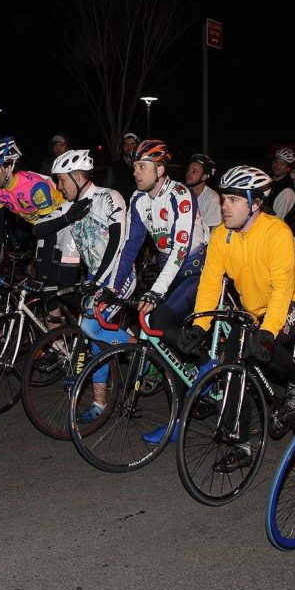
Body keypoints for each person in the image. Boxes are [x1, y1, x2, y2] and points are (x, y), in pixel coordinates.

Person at [177, 165, 295, 470]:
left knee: (262, 343)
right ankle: (240, 443)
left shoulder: (276, 233)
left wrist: (267, 333)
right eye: (224, 198)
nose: (225, 206)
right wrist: (200, 324)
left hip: (293, 301)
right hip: (252, 310)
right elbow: (211, 282)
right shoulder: (221, 236)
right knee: (231, 360)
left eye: (234, 200)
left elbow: (281, 290)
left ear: (255, 204)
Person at [113, 139, 209, 444]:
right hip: (170, 268)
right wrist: (112, 288)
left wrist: (154, 293)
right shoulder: (138, 200)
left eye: (143, 167)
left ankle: (206, 365)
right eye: (135, 166)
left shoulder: (180, 194)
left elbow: (180, 250)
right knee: (166, 346)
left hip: (196, 266)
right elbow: (130, 246)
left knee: (157, 321)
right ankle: (178, 420)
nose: (136, 172)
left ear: (161, 169)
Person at [42, 149, 134, 423]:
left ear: (78, 176)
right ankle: (100, 401)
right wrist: (67, 218)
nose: (59, 186)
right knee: (94, 337)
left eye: (61, 180)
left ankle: (140, 350)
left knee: (90, 328)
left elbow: (118, 243)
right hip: (95, 277)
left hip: (119, 275)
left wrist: (98, 281)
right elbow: (39, 229)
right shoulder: (71, 206)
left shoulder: (109, 197)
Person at [0, 136, 82, 311]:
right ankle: (57, 338)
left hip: (67, 226)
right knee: (47, 295)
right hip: (44, 228)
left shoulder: (35, 187)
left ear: (8, 167)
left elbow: (49, 229)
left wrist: (41, 274)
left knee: (66, 289)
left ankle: (93, 325)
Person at [183, 153, 221, 229]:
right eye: (188, 170)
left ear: (204, 177)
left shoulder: (212, 198)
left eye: (194, 171)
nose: (188, 174)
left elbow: (210, 231)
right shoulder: (182, 193)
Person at [104, 131, 140, 206]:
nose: (129, 147)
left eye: (132, 144)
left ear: (137, 146)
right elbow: (106, 190)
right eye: (126, 144)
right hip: (121, 208)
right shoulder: (114, 167)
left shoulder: (144, 166)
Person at [266, 147, 295, 222]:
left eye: (282, 164)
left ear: (288, 169)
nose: (277, 166)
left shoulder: (286, 191)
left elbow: (276, 220)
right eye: (276, 162)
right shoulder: (272, 181)